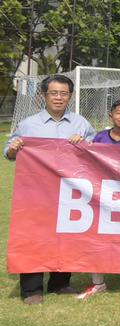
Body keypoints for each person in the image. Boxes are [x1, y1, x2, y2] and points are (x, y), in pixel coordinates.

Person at [5, 75, 96, 304]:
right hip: (35, 193)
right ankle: (31, 290)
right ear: (43, 96)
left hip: (69, 192)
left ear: (70, 96)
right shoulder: (29, 124)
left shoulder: (81, 123)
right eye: (53, 93)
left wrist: (85, 144)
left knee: (66, 236)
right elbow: (9, 152)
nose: (58, 97)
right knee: (33, 237)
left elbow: (97, 152)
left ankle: (60, 283)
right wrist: (14, 148)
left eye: (63, 93)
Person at [74, 99, 120, 299]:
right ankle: (98, 282)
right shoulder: (100, 137)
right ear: (111, 115)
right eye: (119, 112)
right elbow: (88, 159)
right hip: (102, 194)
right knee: (97, 237)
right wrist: (79, 144)